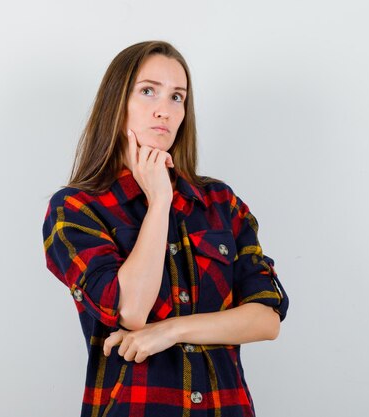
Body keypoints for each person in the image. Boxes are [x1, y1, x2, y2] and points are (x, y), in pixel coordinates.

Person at [41, 40, 289, 417]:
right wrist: (159, 201)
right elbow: (131, 310)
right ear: (116, 104)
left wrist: (170, 331)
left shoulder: (220, 202)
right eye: (147, 91)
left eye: (177, 97)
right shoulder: (76, 208)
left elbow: (266, 318)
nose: (165, 110)